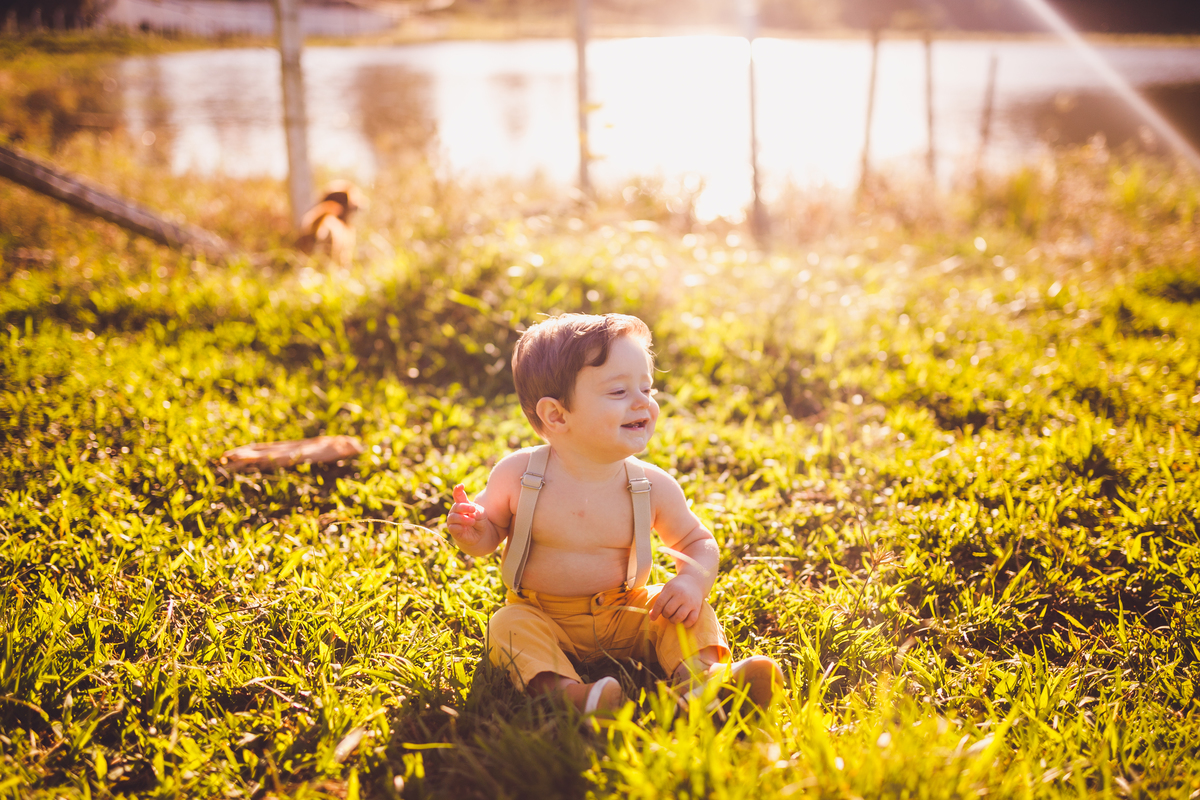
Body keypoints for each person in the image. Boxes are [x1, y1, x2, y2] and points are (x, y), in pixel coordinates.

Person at [446, 313, 783, 714]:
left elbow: (697, 541)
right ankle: (569, 695)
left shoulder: (653, 485)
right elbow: (489, 535)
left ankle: (703, 682)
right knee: (507, 626)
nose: (644, 402)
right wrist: (472, 528)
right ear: (556, 415)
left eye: (647, 387)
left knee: (685, 613)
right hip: (540, 613)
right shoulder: (518, 474)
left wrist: (693, 583)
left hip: (627, 609)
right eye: (619, 391)